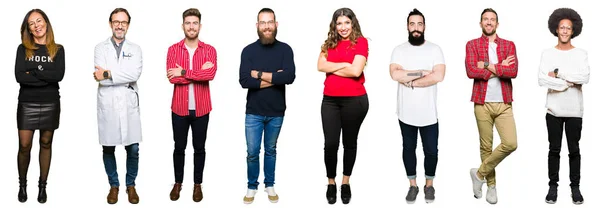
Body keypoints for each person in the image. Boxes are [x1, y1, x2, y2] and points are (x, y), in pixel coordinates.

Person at [239, 8, 296, 204]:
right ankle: (251, 186)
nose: (266, 26)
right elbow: (245, 80)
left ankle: (269, 184)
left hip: (276, 112)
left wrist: (260, 74)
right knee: (252, 152)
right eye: (262, 23)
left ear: (276, 24)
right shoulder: (248, 51)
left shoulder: (285, 49)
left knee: (271, 150)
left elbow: (289, 77)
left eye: (270, 22)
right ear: (257, 26)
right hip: (253, 112)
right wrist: (275, 77)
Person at [389, 8, 445, 204]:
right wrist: (421, 72)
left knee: (431, 151)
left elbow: (438, 76)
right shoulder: (399, 50)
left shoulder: (434, 49)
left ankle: (429, 185)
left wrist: (410, 79)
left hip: (429, 113)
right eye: (412, 24)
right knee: (408, 148)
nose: (416, 28)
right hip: (405, 113)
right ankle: (412, 186)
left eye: (419, 24)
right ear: (407, 26)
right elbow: (395, 75)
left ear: (424, 27)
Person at [466, 8, 518, 205]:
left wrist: (485, 64)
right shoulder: (472, 45)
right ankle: (492, 186)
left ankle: (478, 174)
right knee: (486, 147)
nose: (489, 22)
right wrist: (498, 66)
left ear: (497, 23)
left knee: (511, 143)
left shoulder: (508, 45)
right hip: (482, 102)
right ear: (480, 24)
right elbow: (471, 71)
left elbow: (513, 71)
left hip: (504, 103)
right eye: (485, 20)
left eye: (492, 20)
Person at [317, 7, 369, 205]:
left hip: (355, 100)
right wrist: (344, 64)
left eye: (347, 22)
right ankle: (331, 182)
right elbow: (320, 66)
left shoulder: (361, 42)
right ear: (334, 25)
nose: (343, 27)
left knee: (349, 143)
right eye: (339, 23)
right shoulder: (328, 43)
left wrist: (333, 65)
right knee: (330, 144)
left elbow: (356, 71)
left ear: (353, 23)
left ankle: (345, 182)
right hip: (330, 100)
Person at [166, 8, 217, 203]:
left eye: (195, 23)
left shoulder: (210, 50)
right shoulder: (173, 50)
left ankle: (197, 184)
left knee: (199, 148)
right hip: (179, 108)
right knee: (179, 147)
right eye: (188, 23)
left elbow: (210, 75)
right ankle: (178, 183)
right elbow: (172, 78)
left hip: (202, 109)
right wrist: (197, 73)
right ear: (183, 26)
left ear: (200, 26)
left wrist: (184, 71)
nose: (191, 27)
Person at [538, 8, 588, 205]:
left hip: (575, 110)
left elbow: (584, 77)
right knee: (554, 150)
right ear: (556, 29)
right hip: (553, 111)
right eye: (562, 28)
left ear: (573, 30)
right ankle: (553, 187)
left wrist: (558, 75)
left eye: (568, 28)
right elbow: (542, 80)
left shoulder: (581, 53)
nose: (565, 31)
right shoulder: (547, 53)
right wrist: (568, 82)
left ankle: (575, 188)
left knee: (574, 150)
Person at [15, 8, 65, 204]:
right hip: (27, 103)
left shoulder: (58, 50)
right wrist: (45, 74)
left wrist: (33, 72)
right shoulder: (23, 49)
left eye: (39, 20)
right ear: (28, 28)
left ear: (46, 22)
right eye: (31, 23)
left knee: (46, 144)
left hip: (50, 103)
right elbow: (19, 77)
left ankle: (42, 187)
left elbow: (58, 76)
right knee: (24, 145)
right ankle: (22, 185)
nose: (36, 25)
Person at [94, 7, 143, 205]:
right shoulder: (99, 48)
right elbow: (100, 78)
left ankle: (130, 185)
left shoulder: (136, 49)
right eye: (116, 21)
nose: (119, 25)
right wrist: (115, 75)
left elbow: (135, 74)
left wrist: (109, 73)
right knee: (108, 148)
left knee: (133, 149)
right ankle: (114, 186)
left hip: (128, 104)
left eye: (123, 22)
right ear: (110, 23)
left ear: (128, 25)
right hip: (108, 104)